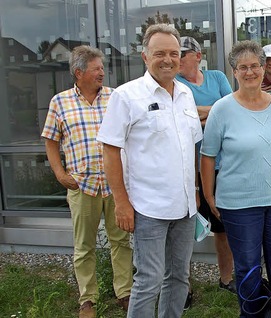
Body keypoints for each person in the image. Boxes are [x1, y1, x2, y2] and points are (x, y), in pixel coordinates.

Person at [97, 24, 202, 317]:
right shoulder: (127, 96)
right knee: (149, 280)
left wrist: (194, 191)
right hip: (148, 208)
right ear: (145, 57)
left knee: (179, 277)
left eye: (173, 53)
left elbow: (189, 148)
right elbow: (110, 150)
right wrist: (121, 202)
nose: (167, 59)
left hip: (184, 209)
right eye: (160, 53)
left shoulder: (185, 94)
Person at [200, 40, 271, 317]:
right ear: (234, 72)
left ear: (264, 68)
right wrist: (209, 196)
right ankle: (252, 314)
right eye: (243, 67)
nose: (250, 72)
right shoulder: (222, 109)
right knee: (248, 268)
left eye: (255, 65)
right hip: (239, 203)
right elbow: (207, 156)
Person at [41, 45, 133, 318]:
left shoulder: (116, 97)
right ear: (79, 72)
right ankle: (87, 299)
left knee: (121, 241)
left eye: (102, 68)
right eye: (96, 69)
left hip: (115, 185)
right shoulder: (60, 102)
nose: (102, 73)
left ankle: (125, 292)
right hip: (81, 186)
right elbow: (50, 141)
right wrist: (59, 173)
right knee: (84, 245)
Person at [176, 36, 236, 304]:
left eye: (182, 53)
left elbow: (231, 109)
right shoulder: (176, 85)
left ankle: (227, 279)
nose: (176, 59)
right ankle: (183, 288)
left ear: (197, 56)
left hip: (222, 167)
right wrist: (212, 112)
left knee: (222, 228)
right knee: (186, 229)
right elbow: (179, 114)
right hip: (189, 169)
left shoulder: (217, 77)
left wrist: (196, 114)